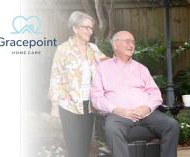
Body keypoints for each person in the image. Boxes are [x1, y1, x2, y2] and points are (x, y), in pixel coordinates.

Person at [90, 31, 179, 157]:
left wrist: (146, 107)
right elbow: (96, 97)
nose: (131, 45)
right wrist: (117, 109)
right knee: (112, 129)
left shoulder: (141, 68)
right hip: (119, 115)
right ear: (115, 45)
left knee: (171, 125)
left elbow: (155, 93)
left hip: (146, 114)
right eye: (127, 41)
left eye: (133, 42)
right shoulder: (102, 68)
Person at [49, 11, 108, 157]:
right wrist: (54, 106)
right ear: (75, 28)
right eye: (86, 27)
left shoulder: (93, 49)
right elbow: (55, 78)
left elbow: (109, 66)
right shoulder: (63, 50)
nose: (90, 31)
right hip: (68, 105)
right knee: (74, 147)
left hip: (88, 105)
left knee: (85, 145)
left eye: (91, 28)